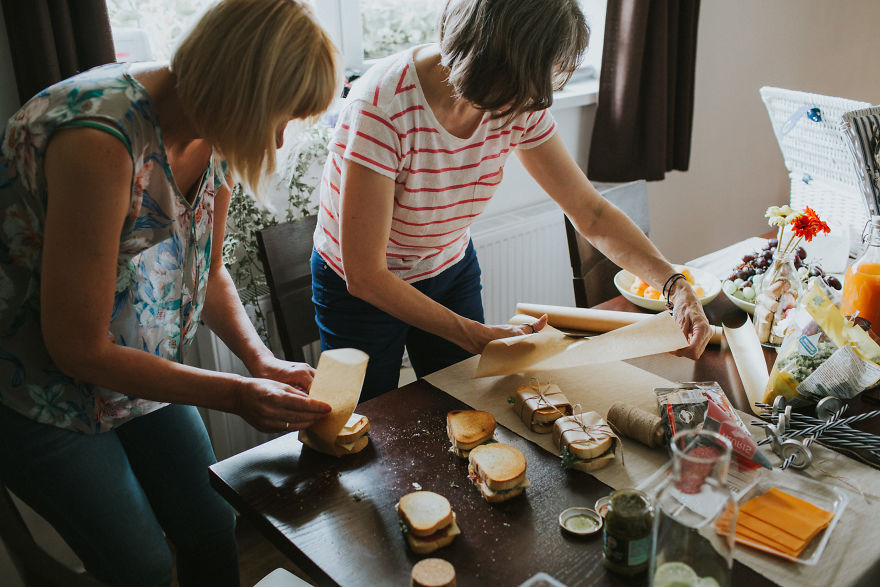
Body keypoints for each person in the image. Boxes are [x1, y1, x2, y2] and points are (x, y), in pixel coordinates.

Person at [0, 1, 337, 585]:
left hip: (136, 366)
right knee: (142, 565)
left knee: (211, 521)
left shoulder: (214, 129)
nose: (280, 139)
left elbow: (206, 272)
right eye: (279, 117)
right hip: (36, 387)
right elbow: (75, 348)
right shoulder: (98, 137)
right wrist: (234, 394)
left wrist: (258, 360)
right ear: (238, 92)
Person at [312, 0, 712, 401]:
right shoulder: (383, 105)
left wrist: (674, 285)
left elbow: (591, 213)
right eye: (525, 88)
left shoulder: (520, 97)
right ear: (487, 60)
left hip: (448, 266)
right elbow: (365, 275)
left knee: (462, 404)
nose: (534, 104)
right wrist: (475, 335)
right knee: (363, 422)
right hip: (361, 287)